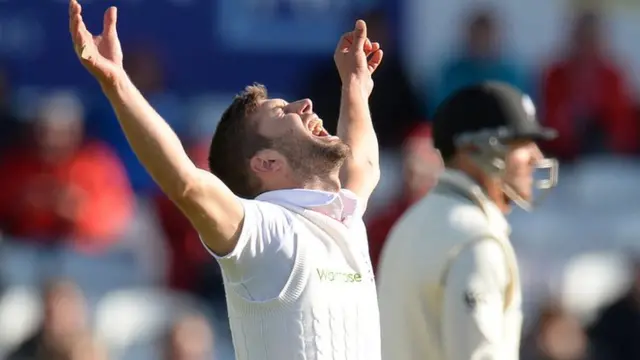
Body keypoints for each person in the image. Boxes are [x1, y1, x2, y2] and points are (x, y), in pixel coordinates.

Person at [68, 1, 383, 359]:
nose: (306, 104)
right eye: (283, 112)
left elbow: (364, 164)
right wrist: (117, 83)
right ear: (266, 161)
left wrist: (355, 85)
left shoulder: (344, 218)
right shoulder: (265, 231)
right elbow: (187, 183)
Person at [377, 81, 559, 360]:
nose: (536, 157)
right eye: (521, 143)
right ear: (474, 149)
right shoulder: (474, 240)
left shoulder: (412, 222)